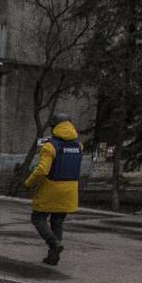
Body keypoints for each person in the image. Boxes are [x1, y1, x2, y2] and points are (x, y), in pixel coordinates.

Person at [24, 112, 83, 265]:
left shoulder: (51, 146)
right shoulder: (79, 146)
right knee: (57, 221)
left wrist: (29, 183)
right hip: (70, 190)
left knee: (38, 218)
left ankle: (53, 243)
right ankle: (53, 257)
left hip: (51, 188)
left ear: (54, 127)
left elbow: (43, 170)